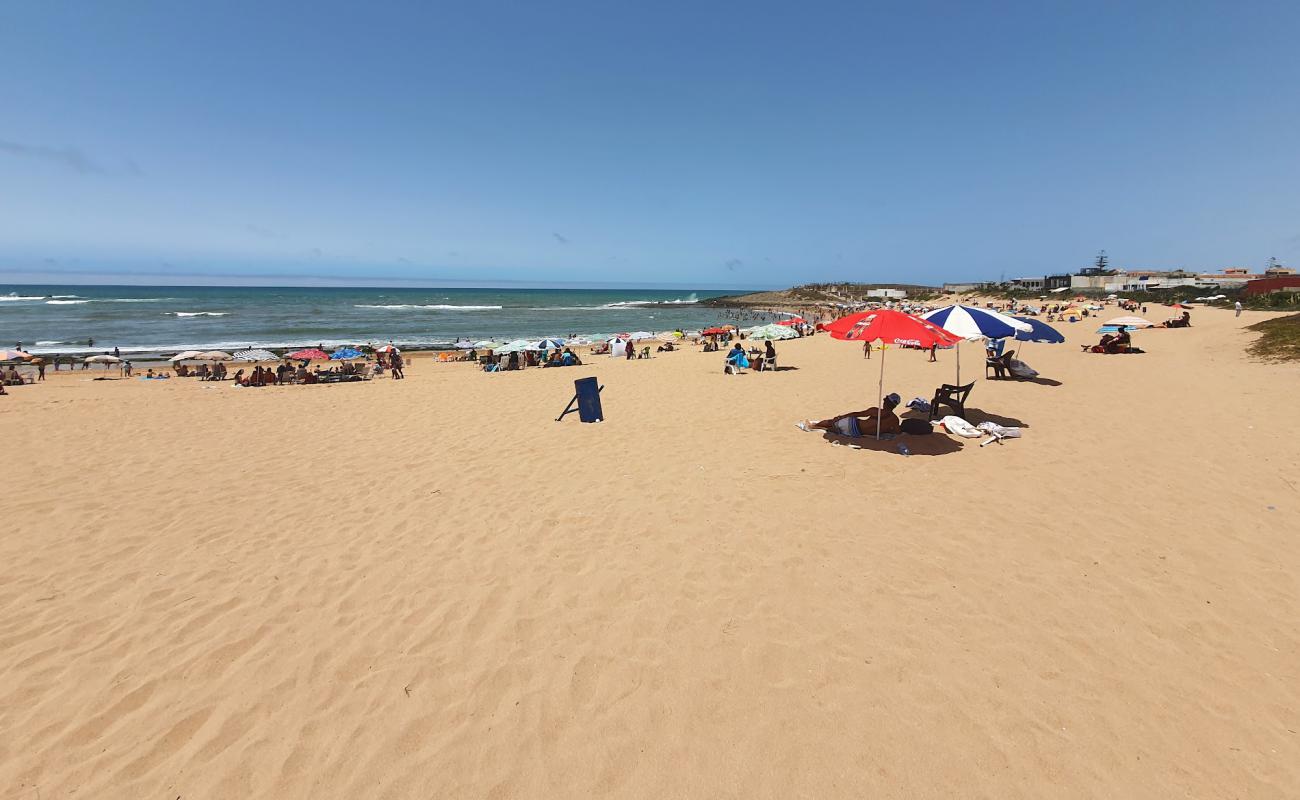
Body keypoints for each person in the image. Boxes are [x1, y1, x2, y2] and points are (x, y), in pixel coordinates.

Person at [798, 393, 902, 438]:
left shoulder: (875, 411)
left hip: (854, 425)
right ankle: (823, 427)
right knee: (834, 429)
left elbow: (856, 414)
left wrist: (841, 417)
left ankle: (814, 426)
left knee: (831, 422)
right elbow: (897, 432)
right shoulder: (894, 420)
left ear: (885, 402)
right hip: (857, 433)